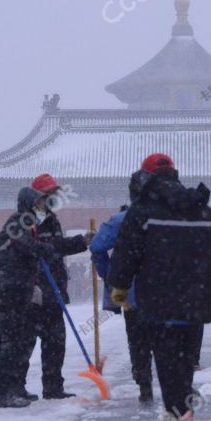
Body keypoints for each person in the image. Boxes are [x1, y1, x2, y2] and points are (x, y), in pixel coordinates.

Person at [108, 154, 211, 421]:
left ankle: (178, 412)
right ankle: (183, 407)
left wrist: (119, 284)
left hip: (158, 296)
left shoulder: (142, 211)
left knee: (166, 355)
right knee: (186, 356)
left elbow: (126, 251)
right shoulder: (202, 210)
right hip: (195, 296)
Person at [0, 187, 55, 408]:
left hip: (10, 291)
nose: (42, 208)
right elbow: (24, 246)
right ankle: (0, 394)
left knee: (13, 341)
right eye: (39, 203)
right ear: (29, 204)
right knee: (4, 342)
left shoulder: (26, 224)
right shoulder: (17, 222)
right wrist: (43, 249)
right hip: (2, 292)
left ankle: (13, 389)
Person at [19, 173, 90, 401]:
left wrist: (82, 242)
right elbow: (48, 247)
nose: (53, 198)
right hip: (35, 292)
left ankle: (53, 386)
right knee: (26, 344)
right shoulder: (27, 223)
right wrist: (80, 242)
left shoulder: (51, 218)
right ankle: (16, 387)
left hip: (54, 291)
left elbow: (56, 248)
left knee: (55, 343)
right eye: (48, 194)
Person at [90, 171, 156, 404]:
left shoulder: (120, 220)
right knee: (165, 341)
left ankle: (143, 381)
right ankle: (173, 385)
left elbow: (97, 246)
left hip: (131, 293)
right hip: (164, 292)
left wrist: (108, 274)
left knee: (138, 339)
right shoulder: (169, 216)